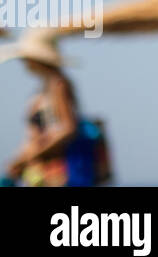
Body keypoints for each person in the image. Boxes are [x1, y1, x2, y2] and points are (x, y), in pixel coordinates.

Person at [2, 34, 105, 187]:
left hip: (59, 172)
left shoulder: (58, 85)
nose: (23, 62)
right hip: (45, 172)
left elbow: (68, 128)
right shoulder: (47, 86)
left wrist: (33, 154)